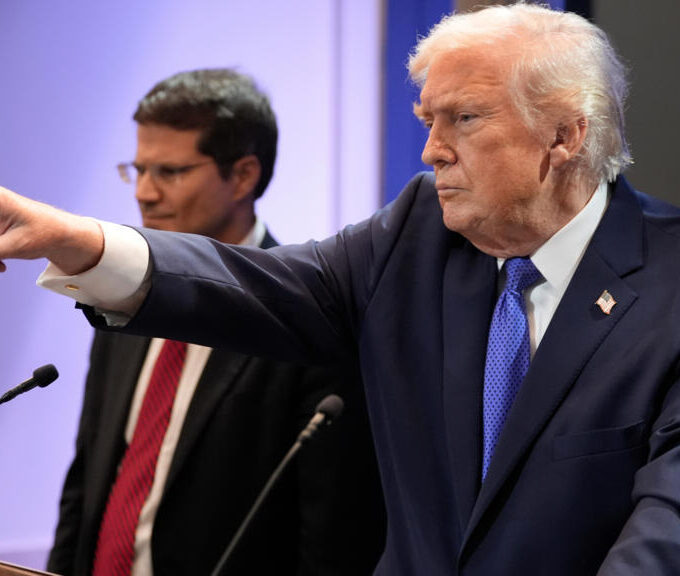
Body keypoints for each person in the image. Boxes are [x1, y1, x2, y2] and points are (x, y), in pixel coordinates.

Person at [1, 4, 680, 575]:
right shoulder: (418, 232)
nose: (433, 150)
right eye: (428, 121)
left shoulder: (668, 284)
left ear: (564, 134)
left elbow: (664, 532)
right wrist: (73, 238)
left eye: (464, 119)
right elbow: (257, 285)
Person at [43, 69, 385, 576]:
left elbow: (331, 532)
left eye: (170, 172)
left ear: (243, 176)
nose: (145, 192)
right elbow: (89, 478)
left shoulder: (306, 312)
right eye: (138, 170)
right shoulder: (123, 291)